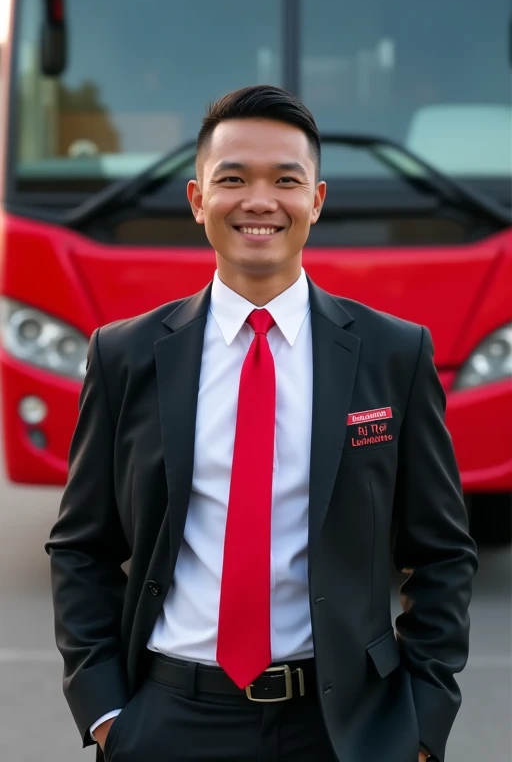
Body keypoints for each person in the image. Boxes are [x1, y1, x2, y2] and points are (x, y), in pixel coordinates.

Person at [46, 85, 477, 762]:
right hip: (166, 720)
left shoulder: (395, 353)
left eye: (286, 180)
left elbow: (443, 552)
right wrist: (106, 712)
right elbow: (81, 547)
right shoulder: (123, 354)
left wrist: (420, 725)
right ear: (197, 200)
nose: (259, 201)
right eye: (233, 179)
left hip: (344, 730)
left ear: (317, 200)